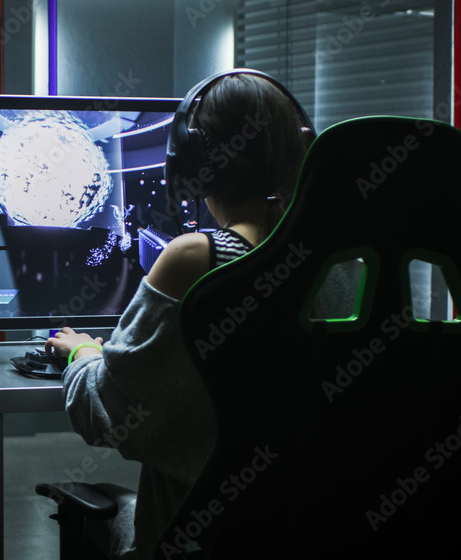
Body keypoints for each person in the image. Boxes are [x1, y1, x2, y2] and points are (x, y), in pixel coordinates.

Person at [44, 72, 314, 559]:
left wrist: (83, 353)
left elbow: (107, 416)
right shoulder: (342, 262)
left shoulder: (197, 258)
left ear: (194, 165)